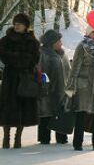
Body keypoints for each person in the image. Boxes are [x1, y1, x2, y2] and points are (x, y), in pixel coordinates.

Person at [0, 14, 41, 149]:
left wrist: (20, 60)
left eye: (20, 23)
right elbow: (4, 57)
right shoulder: (6, 40)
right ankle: (6, 137)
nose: (17, 25)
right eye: (15, 23)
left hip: (25, 78)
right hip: (10, 78)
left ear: (25, 26)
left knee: (23, 107)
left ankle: (18, 137)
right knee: (7, 107)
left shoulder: (32, 41)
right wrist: (20, 59)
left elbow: (34, 59)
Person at [37, 30, 71, 145]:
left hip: (62, 90)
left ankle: (61, 137)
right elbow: (40, 72)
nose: (61, 43)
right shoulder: (42, 54)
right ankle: (44, 138)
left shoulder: (63, 54)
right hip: (47, 90)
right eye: (58, 41)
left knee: (61, 114)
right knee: (46, 114)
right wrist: (44, 87)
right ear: (51, 42)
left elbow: (68, 71)